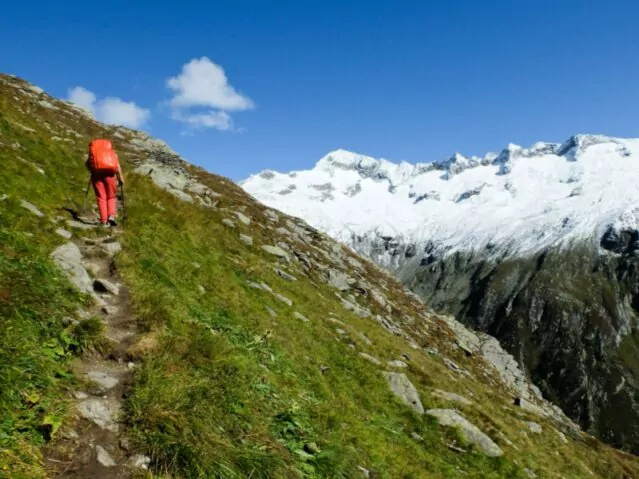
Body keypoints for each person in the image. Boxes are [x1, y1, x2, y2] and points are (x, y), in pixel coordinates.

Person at [85, 139, 124, 227]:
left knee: (101, 197)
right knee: (111, 197)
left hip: (96, 176)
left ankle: (103, 221)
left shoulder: (94, 153)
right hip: (110, 176)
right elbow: (117, 166)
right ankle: (111, 216)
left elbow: (87, 165)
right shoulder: (112, 153)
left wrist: (92, 171)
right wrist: (120, 177)